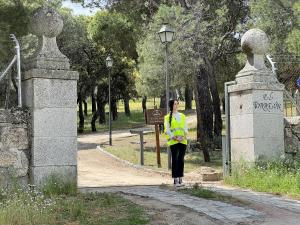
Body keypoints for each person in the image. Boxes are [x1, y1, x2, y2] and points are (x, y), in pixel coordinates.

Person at [164, 99, 188, 187]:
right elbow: (167, 130)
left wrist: (183, 137)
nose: (176, 105)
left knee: (181, 159)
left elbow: (185, 128)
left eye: (177, 104)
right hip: (173, 141)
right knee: (175, 159)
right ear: (171, 105)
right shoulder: (167, 117)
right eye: (175, 104)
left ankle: (180, 178)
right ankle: (175, 179)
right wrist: (174, 137)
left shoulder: (182, 116)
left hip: (183, 141)